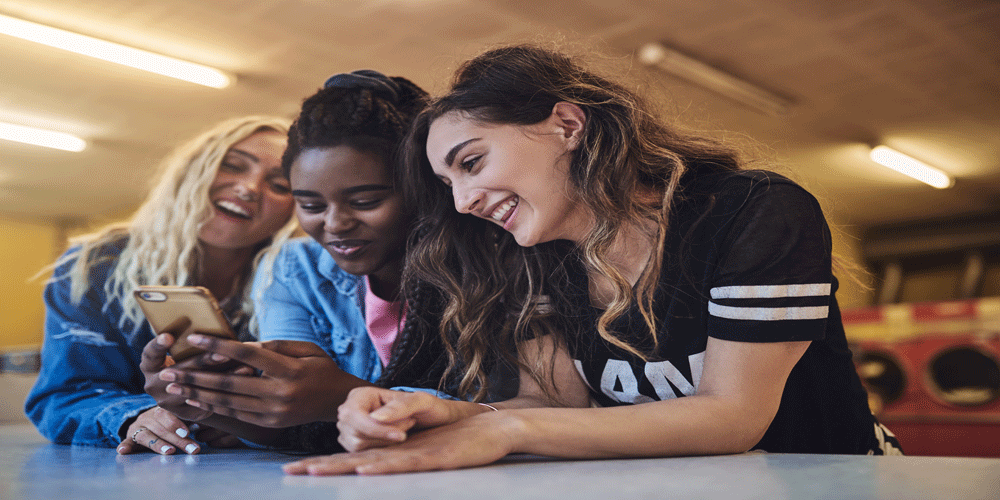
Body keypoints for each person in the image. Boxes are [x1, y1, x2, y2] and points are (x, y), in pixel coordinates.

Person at [283, 44, 903, 476]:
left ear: (568, 124)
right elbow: (555, 407)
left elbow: (733, 416)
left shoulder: (752, 214)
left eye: (471, 163)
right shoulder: (538, 254)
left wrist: (507, 431)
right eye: (446, 185)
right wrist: (438, 413)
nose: (464, 201)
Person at [138, 71, 463, 452]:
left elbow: (507, 412)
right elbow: (293, 424)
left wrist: (346, 397)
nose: (335, 224)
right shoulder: (293, 268)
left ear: (422, 188)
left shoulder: (478, 270)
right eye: (310, 205)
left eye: (365, 202)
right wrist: (205, 404)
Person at [24, 116, 297, 455]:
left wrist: (249, 423)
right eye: (233, 166)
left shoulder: (299, 284)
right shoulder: (94, 266)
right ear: (191, 171)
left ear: (296, 209)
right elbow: (64, 395)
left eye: (281, 185)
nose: (249, 188)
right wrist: (134, 416)